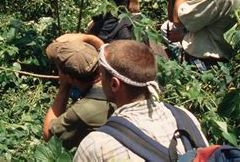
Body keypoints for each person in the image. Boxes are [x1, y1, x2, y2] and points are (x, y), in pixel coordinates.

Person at [53, 34, 207, 161]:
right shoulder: (185, 118)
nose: (100, 76)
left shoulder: (97, 146)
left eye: (102, 74)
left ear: (114, 84)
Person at [42, 40, 116, 150]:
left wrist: (64, 86)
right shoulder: (117, 79)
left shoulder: (83, 111)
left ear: (71, 78)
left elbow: (48, 134)